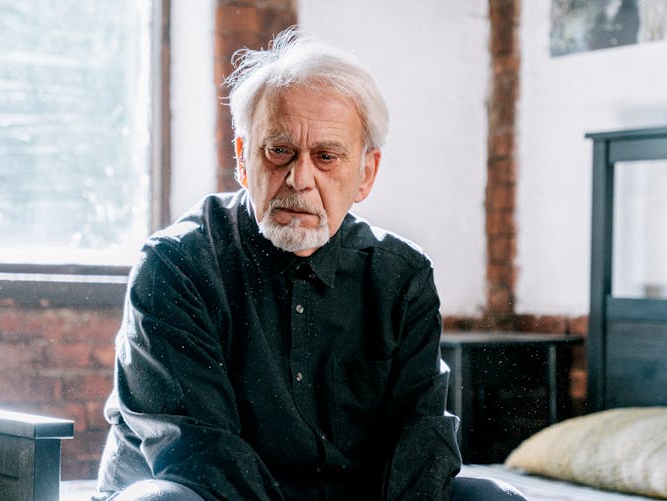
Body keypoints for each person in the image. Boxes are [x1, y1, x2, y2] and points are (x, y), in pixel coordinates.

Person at [95, 27, 526, 501]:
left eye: (326, 157)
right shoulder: (176, 265)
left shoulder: (401, 276)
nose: (299, 179)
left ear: (365, 174)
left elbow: (421, 442)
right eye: (279, 151)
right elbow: (203, 455)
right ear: (242, 158)